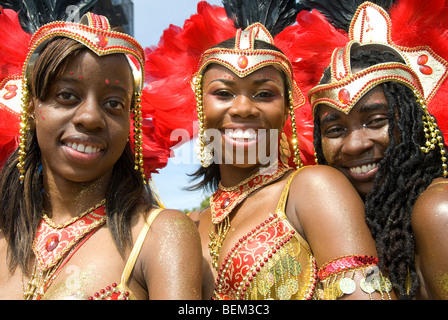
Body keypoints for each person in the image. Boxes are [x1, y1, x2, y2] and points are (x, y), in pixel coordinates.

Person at [143, 0, 396, 300]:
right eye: (223, 93)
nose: (243, 108)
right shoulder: (189, 224)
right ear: (200, 106)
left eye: (264, 94)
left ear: (287, 111)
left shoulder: (312, 188)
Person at [0, 8, 202, 300]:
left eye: (113, 104)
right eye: (67, 96)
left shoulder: (159, 235)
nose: (90, 117)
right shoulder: (6, 238)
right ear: (32, 107)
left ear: (129, 123)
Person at [294, 0, 448, 299]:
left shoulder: (438, 210)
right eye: (335, 129)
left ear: (417, 123)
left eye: (377, 121)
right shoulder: (353, 221)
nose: (355, 144)